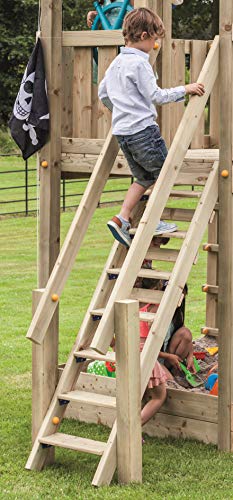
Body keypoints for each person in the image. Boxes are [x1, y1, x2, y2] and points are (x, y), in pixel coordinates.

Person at [98, 8, 205, 247]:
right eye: (155, 39)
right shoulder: (140, 63)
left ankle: (122, 218)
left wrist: (121, 110)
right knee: (165, 174)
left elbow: (103, 93)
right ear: (144, 35)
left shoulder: (116, 63)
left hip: (123, 132)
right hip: (143, 132)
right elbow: (155, 95)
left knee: (143, 177)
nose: (155, 44)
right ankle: (151, 220)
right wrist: (185, 89)